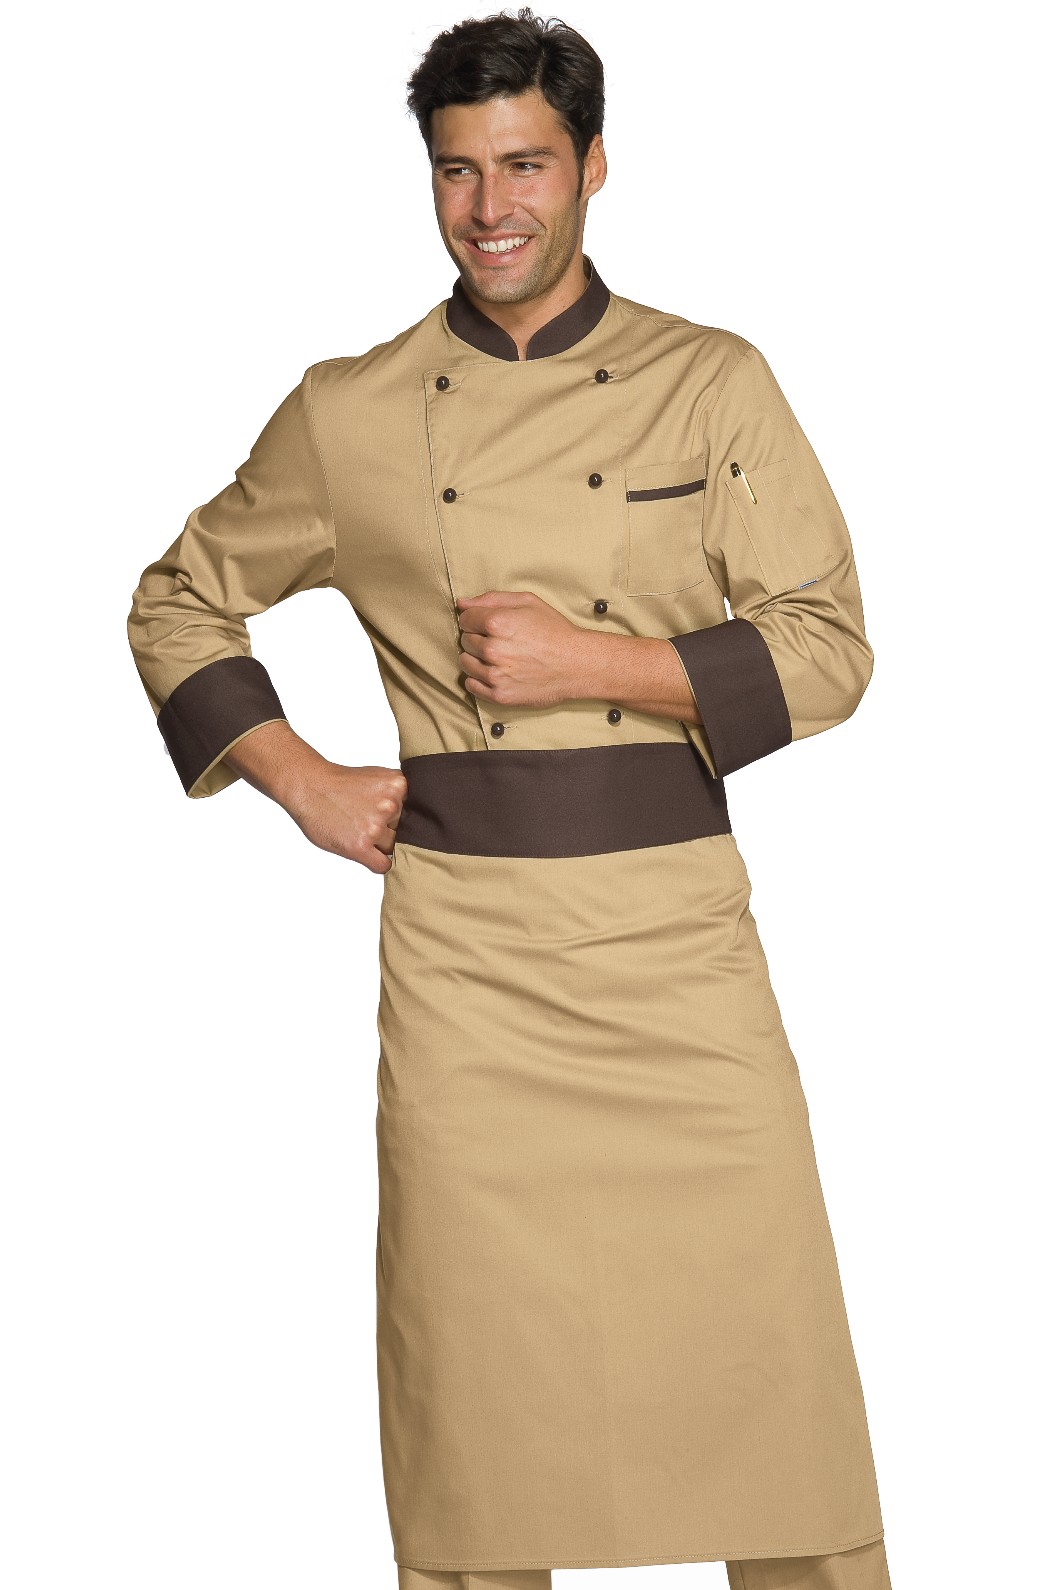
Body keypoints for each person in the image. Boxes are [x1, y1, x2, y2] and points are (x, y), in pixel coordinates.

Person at [127, 9, 893, 1587]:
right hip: (468, 971)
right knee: (477, 1423)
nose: (491, 209)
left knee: (776, 1394)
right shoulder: (352, 409)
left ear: (595, 167)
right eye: (457, 172)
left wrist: (598, 659)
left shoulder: (710, 381)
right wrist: (298, 779)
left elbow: (831, 650)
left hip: (680, 956)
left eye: (526, 166)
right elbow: (178, 601)